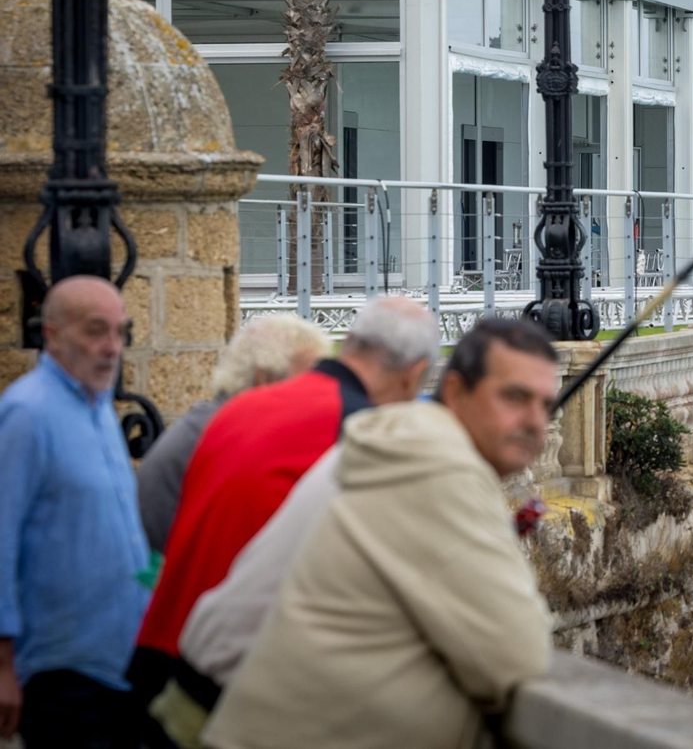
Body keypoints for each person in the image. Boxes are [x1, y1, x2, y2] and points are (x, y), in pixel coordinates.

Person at [201, 318, 559, 749]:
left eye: (546, 405)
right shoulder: (437, 466)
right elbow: (515, 652)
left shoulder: (402, 440)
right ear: (455, 391)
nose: (535, 422)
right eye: (515, 397)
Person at [132, 298, 439, 701]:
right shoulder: (361, 431)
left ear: (349, 342)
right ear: (414, 374)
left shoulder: (233, 411)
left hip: (161, 655)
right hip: (234, 681)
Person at [0, 276, 150, 748]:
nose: (111, 347)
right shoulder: (27, 413)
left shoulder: (100, 404)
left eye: (119, 331)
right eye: (94, 330)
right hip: (61, 670)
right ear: (52, 334)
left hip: (119, 660)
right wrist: (3, 665)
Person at [138, 315, 331, 554]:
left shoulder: (214, 424)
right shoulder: (224, 436)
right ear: (265, 378)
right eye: (308, 379)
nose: (317, 392)